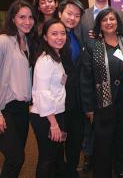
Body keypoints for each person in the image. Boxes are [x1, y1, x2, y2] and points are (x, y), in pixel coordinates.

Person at [80, 8, 123, 178]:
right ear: (99, 24)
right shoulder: (92, 46)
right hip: (102, 103)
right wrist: (89, 108)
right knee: (103, 143)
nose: (109, 22)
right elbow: (86, 79)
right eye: (105, 20)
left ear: (118, 23)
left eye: (112, 19)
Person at [0, 0, 36, 177]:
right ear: (13, 19)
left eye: (30, 17)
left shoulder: (25, 42)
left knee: (16, 158)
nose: (27, 21)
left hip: (21, 109)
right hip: (4, 109)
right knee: (16, 158)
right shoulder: (3, 41)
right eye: (22, 17)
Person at [30, 19, 67, 178]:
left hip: (57, 113)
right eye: (54, 34)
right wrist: (53, 124)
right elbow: (42, 93)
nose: (59, 37)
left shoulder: (56, 56)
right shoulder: (45, 60)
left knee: (57, 155)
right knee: (48, 157)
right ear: (45, 37)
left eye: (63, 33)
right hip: (46, 117)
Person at [58, 0, 85, 177]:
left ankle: (71, 170)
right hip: (59, 100)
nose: (72, 18)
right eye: (69, 13)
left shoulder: (74, 36)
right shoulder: (55, 37)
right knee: (58, 142)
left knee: (75, 139)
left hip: (76, 99)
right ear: (60, 14)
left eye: (77, 15)